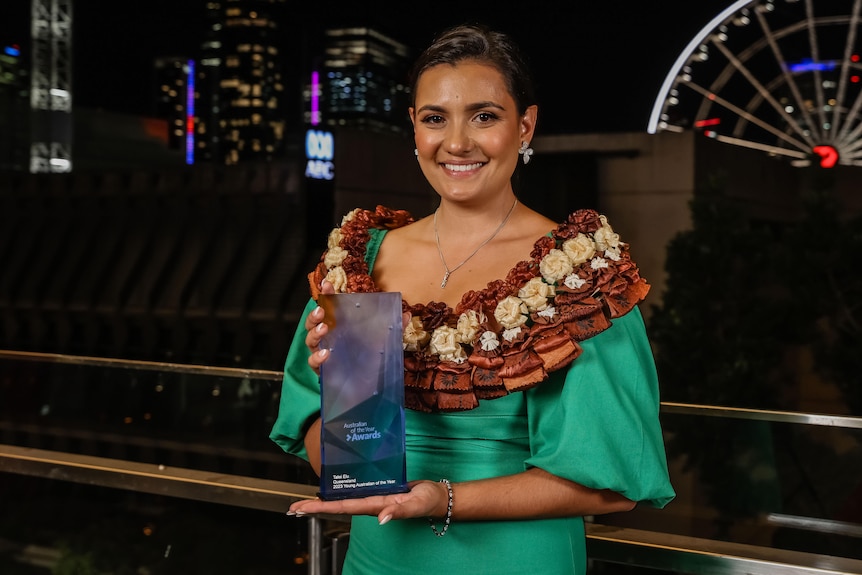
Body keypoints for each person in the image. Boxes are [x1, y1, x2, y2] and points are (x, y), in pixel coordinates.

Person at [270, 23, 675, 575]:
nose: (457, 143)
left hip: (516, 558)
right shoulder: (360, 258)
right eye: (435, 118)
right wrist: (342, 402)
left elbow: (614, 483)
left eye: (484, 116)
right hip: (377, 556)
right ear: (414, 127)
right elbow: (318, 429)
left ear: (525, 126)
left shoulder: (582, 275)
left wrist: (443, 497)